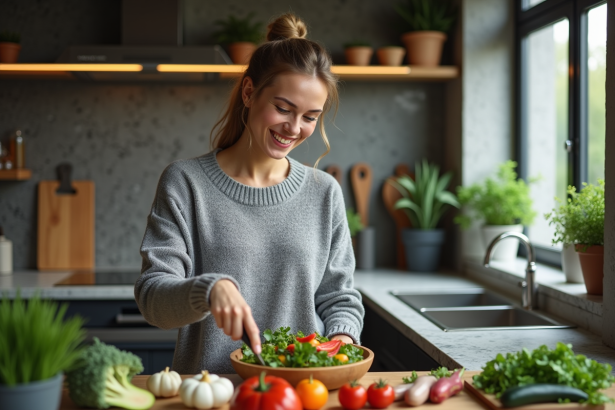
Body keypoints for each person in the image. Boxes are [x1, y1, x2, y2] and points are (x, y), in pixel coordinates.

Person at [135, 12, 364, 374]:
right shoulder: (186, 182)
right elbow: (153, 300)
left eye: (310, 117)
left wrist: (342, 342)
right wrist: (209, 290)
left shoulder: (324, 192)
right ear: (248, 92)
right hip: (211, 394)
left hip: (301, 394)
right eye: (283, 109)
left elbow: (340, 297)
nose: (294, 128)